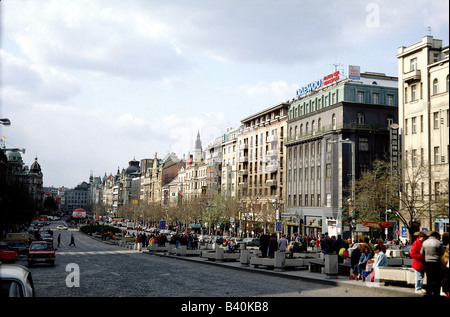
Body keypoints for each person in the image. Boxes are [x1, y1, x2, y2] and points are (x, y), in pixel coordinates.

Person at [420, 231, 445, 297]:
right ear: (437, 237)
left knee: (429, 279)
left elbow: (421, 252)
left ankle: (429, 293)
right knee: (437, 279)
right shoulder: (438, 243)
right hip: (436, 262)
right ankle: (436, 293)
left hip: (428, 262)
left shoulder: (425, 242)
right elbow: (443, 252)